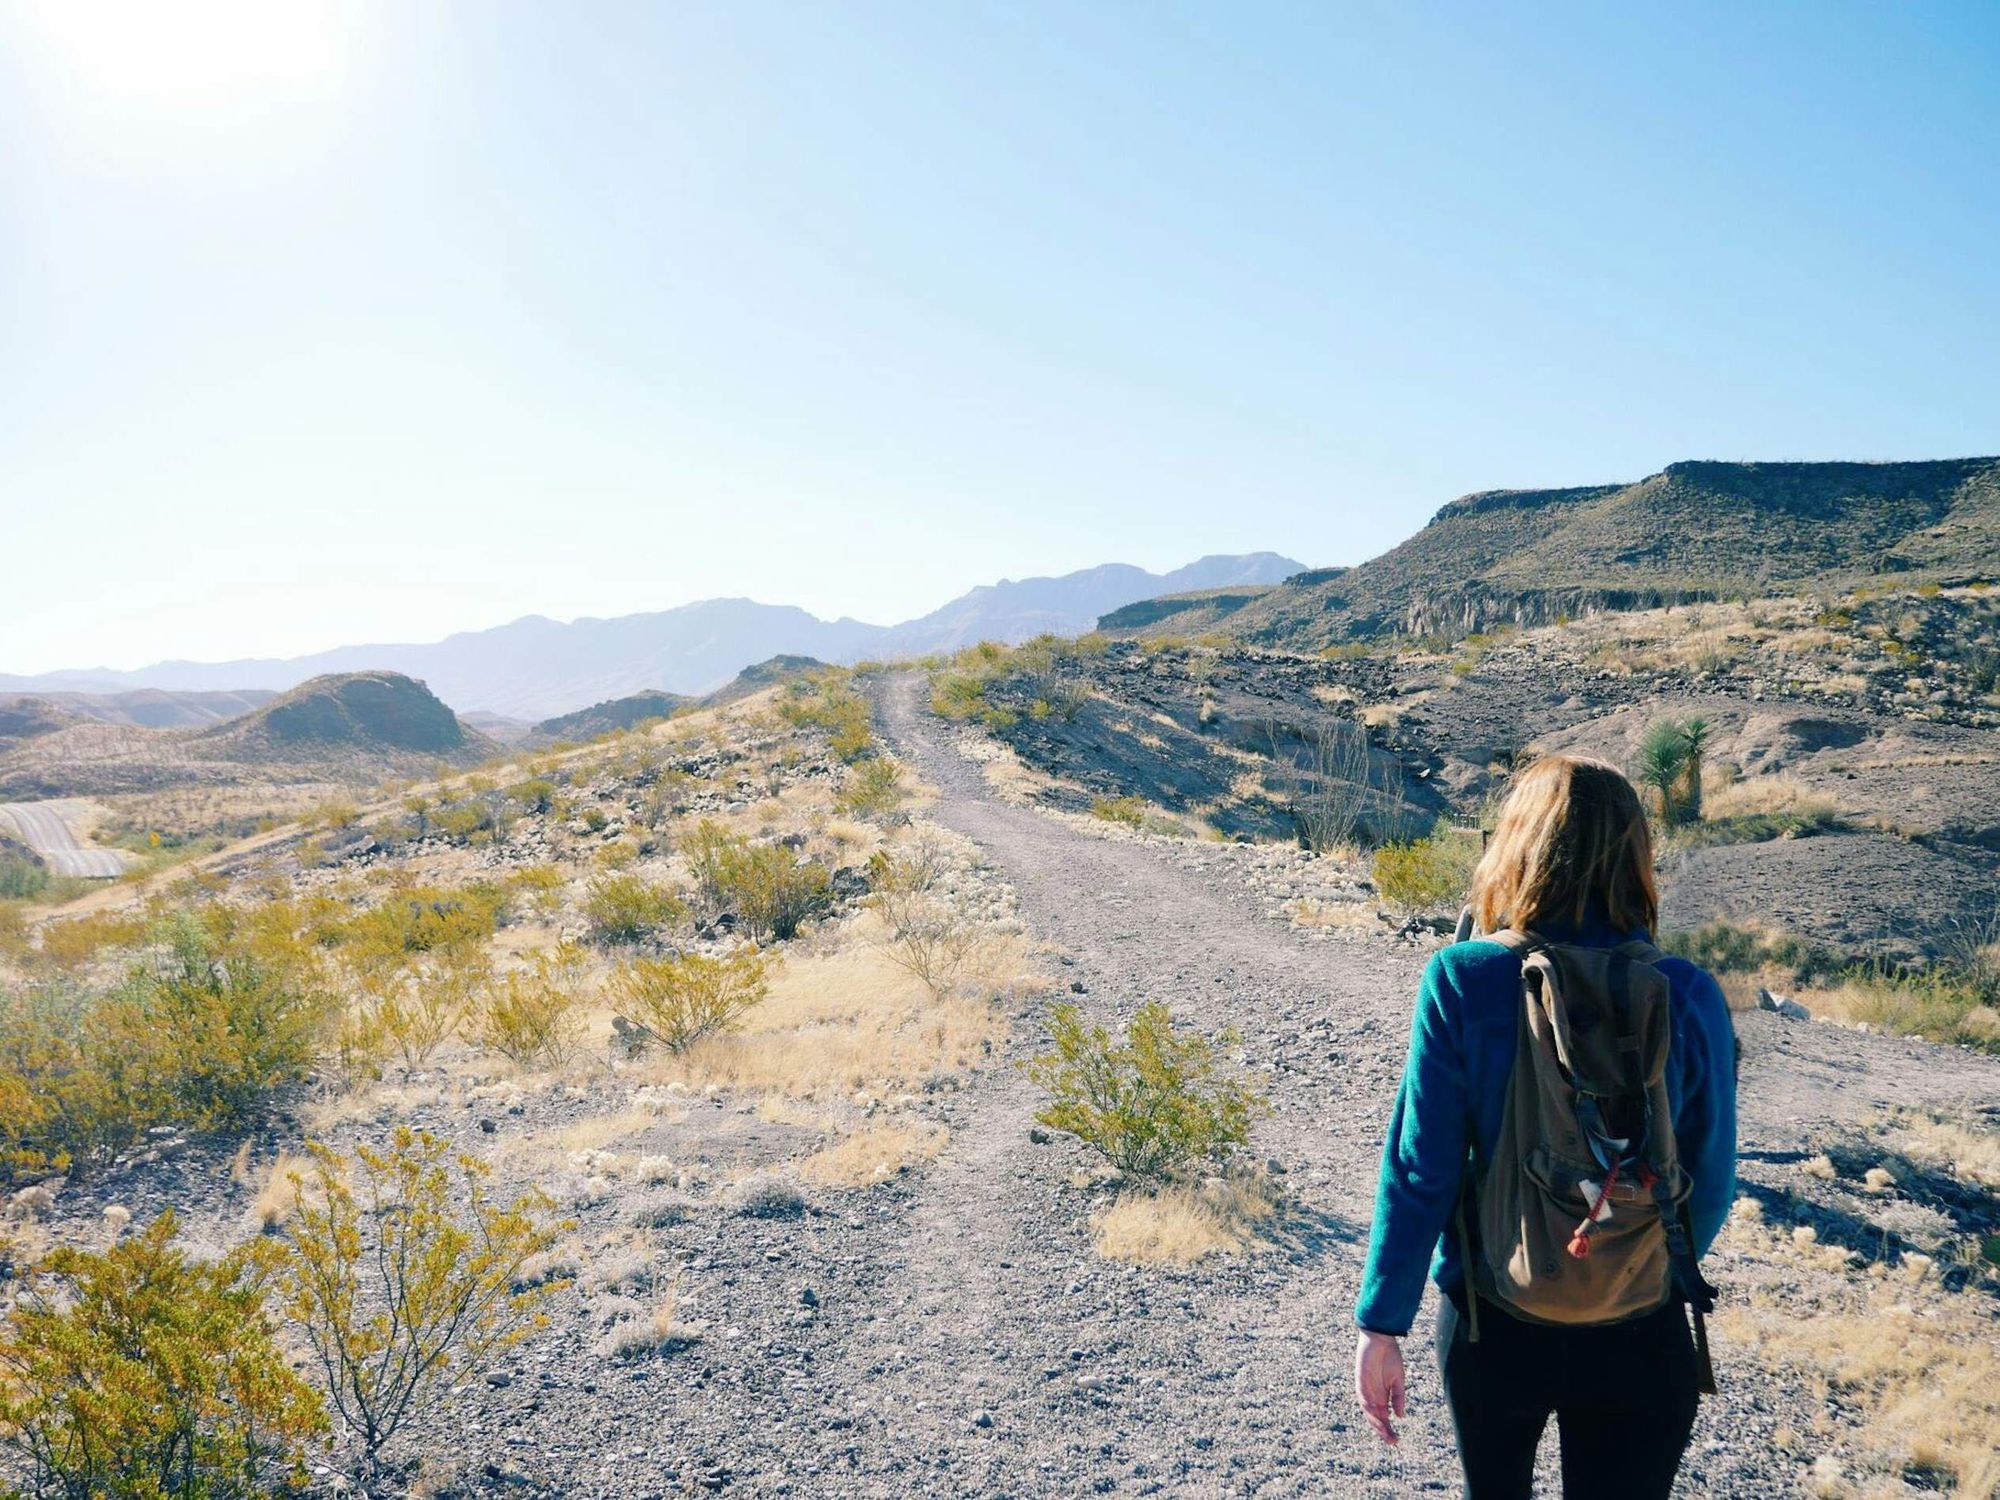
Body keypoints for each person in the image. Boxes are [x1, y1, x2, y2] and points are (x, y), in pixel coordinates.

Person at [1351, 754, 1736, 1499]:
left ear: (1518, 845)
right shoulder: (1687, 992)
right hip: (1642, 1331)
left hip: (1493, 1324)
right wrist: (1629, 1265)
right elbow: (1711, 1179)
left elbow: (1419, 1170)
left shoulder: (1463, 978)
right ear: (1635, 855)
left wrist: (1382, 1323)